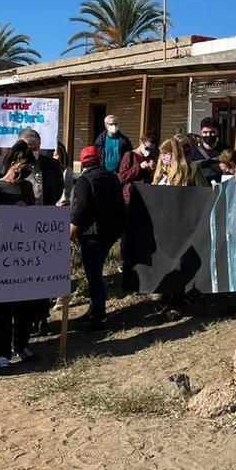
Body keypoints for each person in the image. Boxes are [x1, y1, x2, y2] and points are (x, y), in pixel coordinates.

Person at [0, 144, 40, 373]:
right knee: (4, 310)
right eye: (24, 165)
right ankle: (1, 354)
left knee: (24, 307)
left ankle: (22, 345)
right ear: (13, 163)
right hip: (2, 258)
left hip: (24, 255)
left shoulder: (26, 188)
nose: (26, 170)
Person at [70, 146, 126, 332]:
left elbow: (81, 209)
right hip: (111, 232)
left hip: (92, 234)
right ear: (99, 159)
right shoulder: (111, 176)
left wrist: (71, 231)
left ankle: (100, 318)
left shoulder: (84, 180)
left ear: (83, 162)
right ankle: (94, 310)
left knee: (94, 277)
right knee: (96, 274)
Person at [118, 132, 159, 202]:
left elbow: (153, 178)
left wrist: (153, 169)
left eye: (151, 149)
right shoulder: (130, 155)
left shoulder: (151, 157)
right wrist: (139, 167)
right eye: (147, 148)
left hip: (145, 194)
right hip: (131, 194)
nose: (149, 151)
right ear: (141, 142)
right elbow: (123, 176)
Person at [193, 117, 227, 185]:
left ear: (217, 132)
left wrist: (226, 167)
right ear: (201, 133)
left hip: (222, 190)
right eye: (205, 132)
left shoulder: (226, 150)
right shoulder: (194, 153)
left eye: (212, 132)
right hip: (201, 191)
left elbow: (235, 168)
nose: (208, 135)